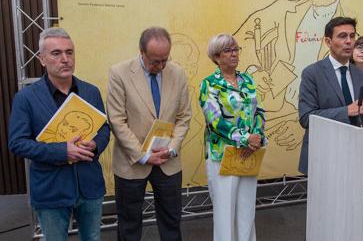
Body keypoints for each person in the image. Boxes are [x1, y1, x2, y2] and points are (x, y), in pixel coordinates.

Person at [233, 0, 346, 151]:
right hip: (271, 107)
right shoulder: (284, 9)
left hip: (311, 118)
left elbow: (342, 100)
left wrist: (304, 127)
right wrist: (252, 71)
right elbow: (236, 41)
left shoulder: (346, 33)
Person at [8, 27, 110, 241]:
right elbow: (17, 143)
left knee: (93, 238)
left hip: (90, 185)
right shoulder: (25, 98)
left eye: (69, 52)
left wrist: (95, 144)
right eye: (56, 53)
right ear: (42, 59)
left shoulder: (91, 91)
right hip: (50, 189)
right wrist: (62, 151)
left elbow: (104, 129)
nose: (65, 59)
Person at [107, 27, 191, 241]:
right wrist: (143, 155)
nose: (161, 66)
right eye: (155, 61)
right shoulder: (119, 73)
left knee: (171, 220)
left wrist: (171, 149)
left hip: (168, 161)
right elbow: (117, 120)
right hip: (132, 163)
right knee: (129, 223)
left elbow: (184, 117)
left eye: (165, 60)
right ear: (141, 52)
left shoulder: (178, 73)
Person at [199, 33, 267, 241]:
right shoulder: (209, 84)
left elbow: (259, 112)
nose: (234, 54)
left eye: (236, 49)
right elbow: (215, 121)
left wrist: (256, 137)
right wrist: (245, 138)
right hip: (223, 155)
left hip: (249, 154)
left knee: (247, 209)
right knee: (225, 211)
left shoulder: (247, 80)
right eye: (228, 50)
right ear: (216, 57)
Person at [298, 17, 363, 174]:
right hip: (323, 156)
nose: (349, 41)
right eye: (342, 36)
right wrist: (347, 110)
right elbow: (306, 118)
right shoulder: (312, 73)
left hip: (355, 155)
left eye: (352, 36)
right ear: (328, 42)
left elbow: (360, 120)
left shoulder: (362, 76)